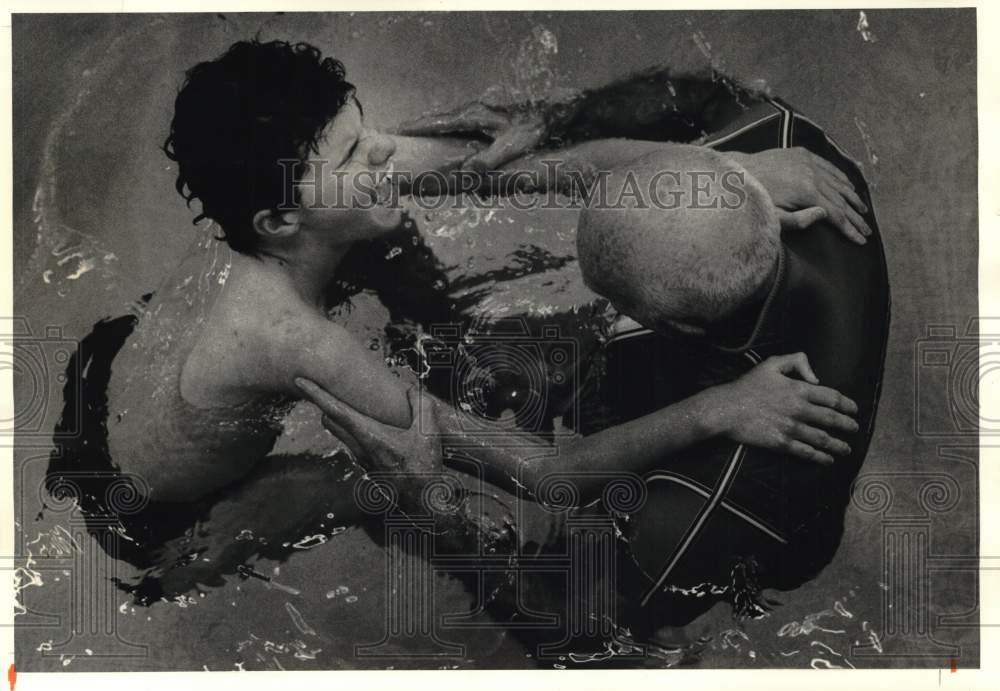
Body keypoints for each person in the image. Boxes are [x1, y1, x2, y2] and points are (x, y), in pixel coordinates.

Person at [302, 75, 889, 635]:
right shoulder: (786, 151)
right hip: (699, 363)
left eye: (610, 300)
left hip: (710, 538)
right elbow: (695, 95)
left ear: (670, 323)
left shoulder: (706, 505)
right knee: (417, 295)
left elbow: (564, 624)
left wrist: (432, 505)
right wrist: (559, 116)